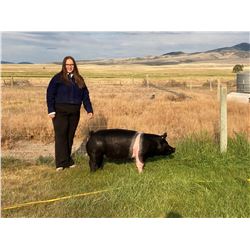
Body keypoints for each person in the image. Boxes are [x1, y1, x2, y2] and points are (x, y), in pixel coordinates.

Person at [46, 56, 93, 171]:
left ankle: (67, 160)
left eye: (71, 64)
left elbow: (85, 95)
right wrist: (51, 110)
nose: (69, 67)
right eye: (67, 65)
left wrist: (89, 109)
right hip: (60, 112)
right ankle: (60, 163)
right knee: (61, 136)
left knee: (69, 136)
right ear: (64, 65)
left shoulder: (79, 79)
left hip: (74, 113)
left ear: (74, 66)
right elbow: (50, 94)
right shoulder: (57, 78)